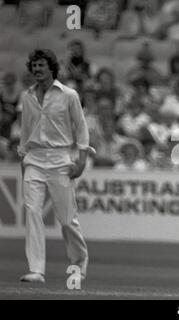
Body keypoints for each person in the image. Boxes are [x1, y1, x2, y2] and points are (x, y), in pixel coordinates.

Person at [18, 49, 94, 283]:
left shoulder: (69, 94)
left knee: (66, 218)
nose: (37, 70)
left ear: (52, 68)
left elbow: (81, 127)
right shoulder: (27, 96)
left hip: (61, 158)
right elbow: (26, 128)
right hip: (34, 159)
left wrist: (81, 160)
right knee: (32, 212)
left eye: (41, 65)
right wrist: (23, 157)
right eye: (34, 66)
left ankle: (79, 263)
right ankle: (36, 270)